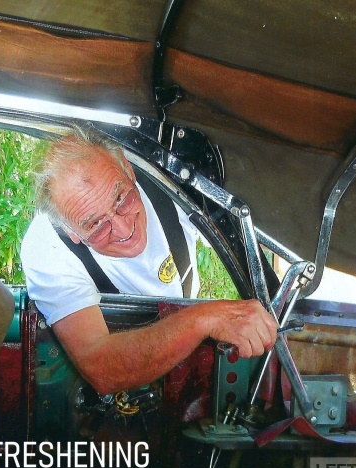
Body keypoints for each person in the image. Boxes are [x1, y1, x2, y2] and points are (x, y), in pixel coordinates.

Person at [21, 132, 277, 395]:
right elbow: (102, 368)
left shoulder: (171, 182)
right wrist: (204, 318)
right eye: (96, 225)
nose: (123, 229)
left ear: (129, 170)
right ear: (70, 231)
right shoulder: (47, 248)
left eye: (122, 199)